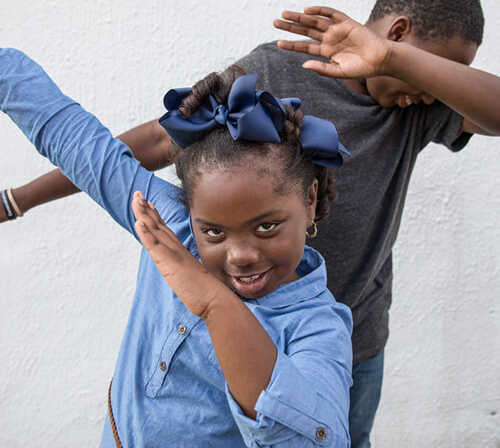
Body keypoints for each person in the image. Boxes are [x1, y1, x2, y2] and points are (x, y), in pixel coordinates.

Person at [2, 0, 499, 446]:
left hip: (346, 337)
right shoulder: (279, 73)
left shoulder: (420, 104)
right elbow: (125, 144)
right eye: (441, 66)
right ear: (399, 28)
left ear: (309, 201)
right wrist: (20, 198)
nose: (438, 84)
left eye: (265, 227)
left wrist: (396, 61)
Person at [0, 50, 354, 446]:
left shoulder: (318, 327)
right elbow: (80, 145)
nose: (240, 255)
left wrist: (215, 303)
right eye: (214, 233)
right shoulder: (170, 228)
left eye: (267, 226)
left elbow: (318, 440)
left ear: (309, 201)